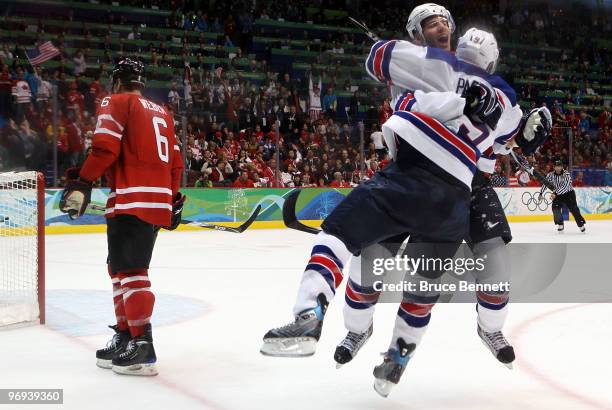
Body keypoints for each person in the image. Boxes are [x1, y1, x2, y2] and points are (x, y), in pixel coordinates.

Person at [58, 58, 185, 376]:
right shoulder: (163, 112)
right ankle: (126, 335)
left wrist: (82, 181)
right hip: (154, 201)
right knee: (118, 268)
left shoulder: (114, 102)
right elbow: (177, 162)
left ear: (117, 81)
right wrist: (171, 200)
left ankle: (142, 345)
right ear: (140, 83)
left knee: (131, 272)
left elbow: (105, 149)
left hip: (131, 199)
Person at [540, 160, 586, 232]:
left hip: (569, 194)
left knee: (574, 209)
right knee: (555, 209)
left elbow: (565, 186)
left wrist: (555, 193)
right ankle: (560, 223)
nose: (558, 168)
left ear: (562, 167)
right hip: (558, 194)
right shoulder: (550, 175)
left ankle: (580, 224)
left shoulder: (566, 174)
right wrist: (541, 193)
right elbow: (546, 183)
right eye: (556, 166)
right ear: (554, 167)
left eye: (559, 166)